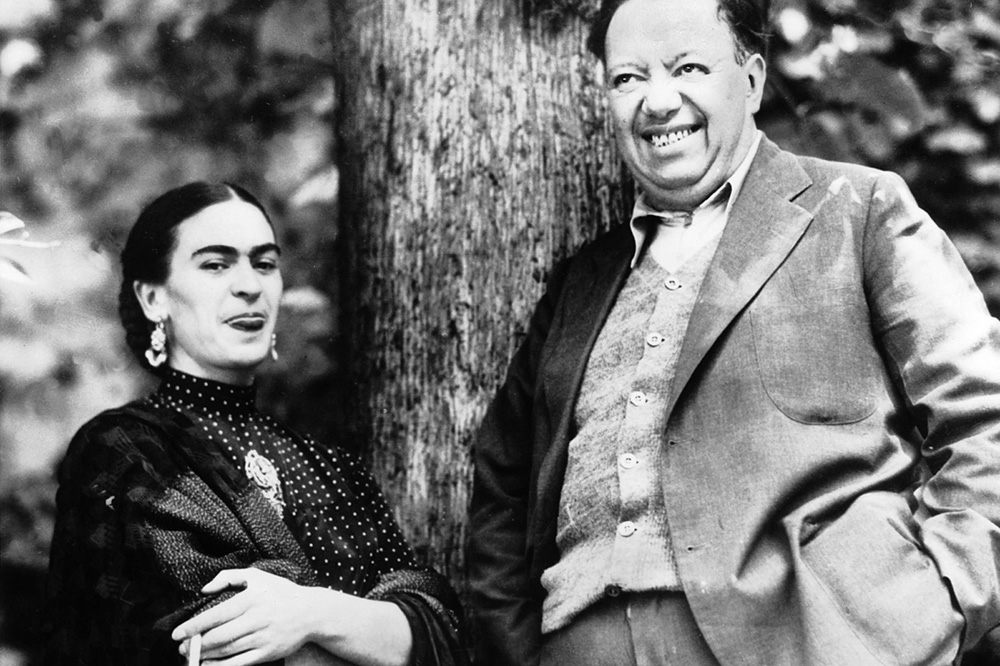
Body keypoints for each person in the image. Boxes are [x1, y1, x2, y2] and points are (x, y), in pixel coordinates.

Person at [467, 0, 1000, 664]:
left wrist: (937, 600)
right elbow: (501, 485)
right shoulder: (582, 280)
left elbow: (984, 418)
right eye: (628, 78)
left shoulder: (859, 212)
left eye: (687, 68)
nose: (658, 101)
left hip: (805, 643)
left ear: (750, 81)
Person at [45, 182, 467, 666]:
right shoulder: (125, 450)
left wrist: (311, 614)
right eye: (215, 264)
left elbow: (440, 625)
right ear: (153, 298)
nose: (250, 286)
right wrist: (372, 629)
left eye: (264, 264)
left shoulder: (333, 469)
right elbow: (202, 639)